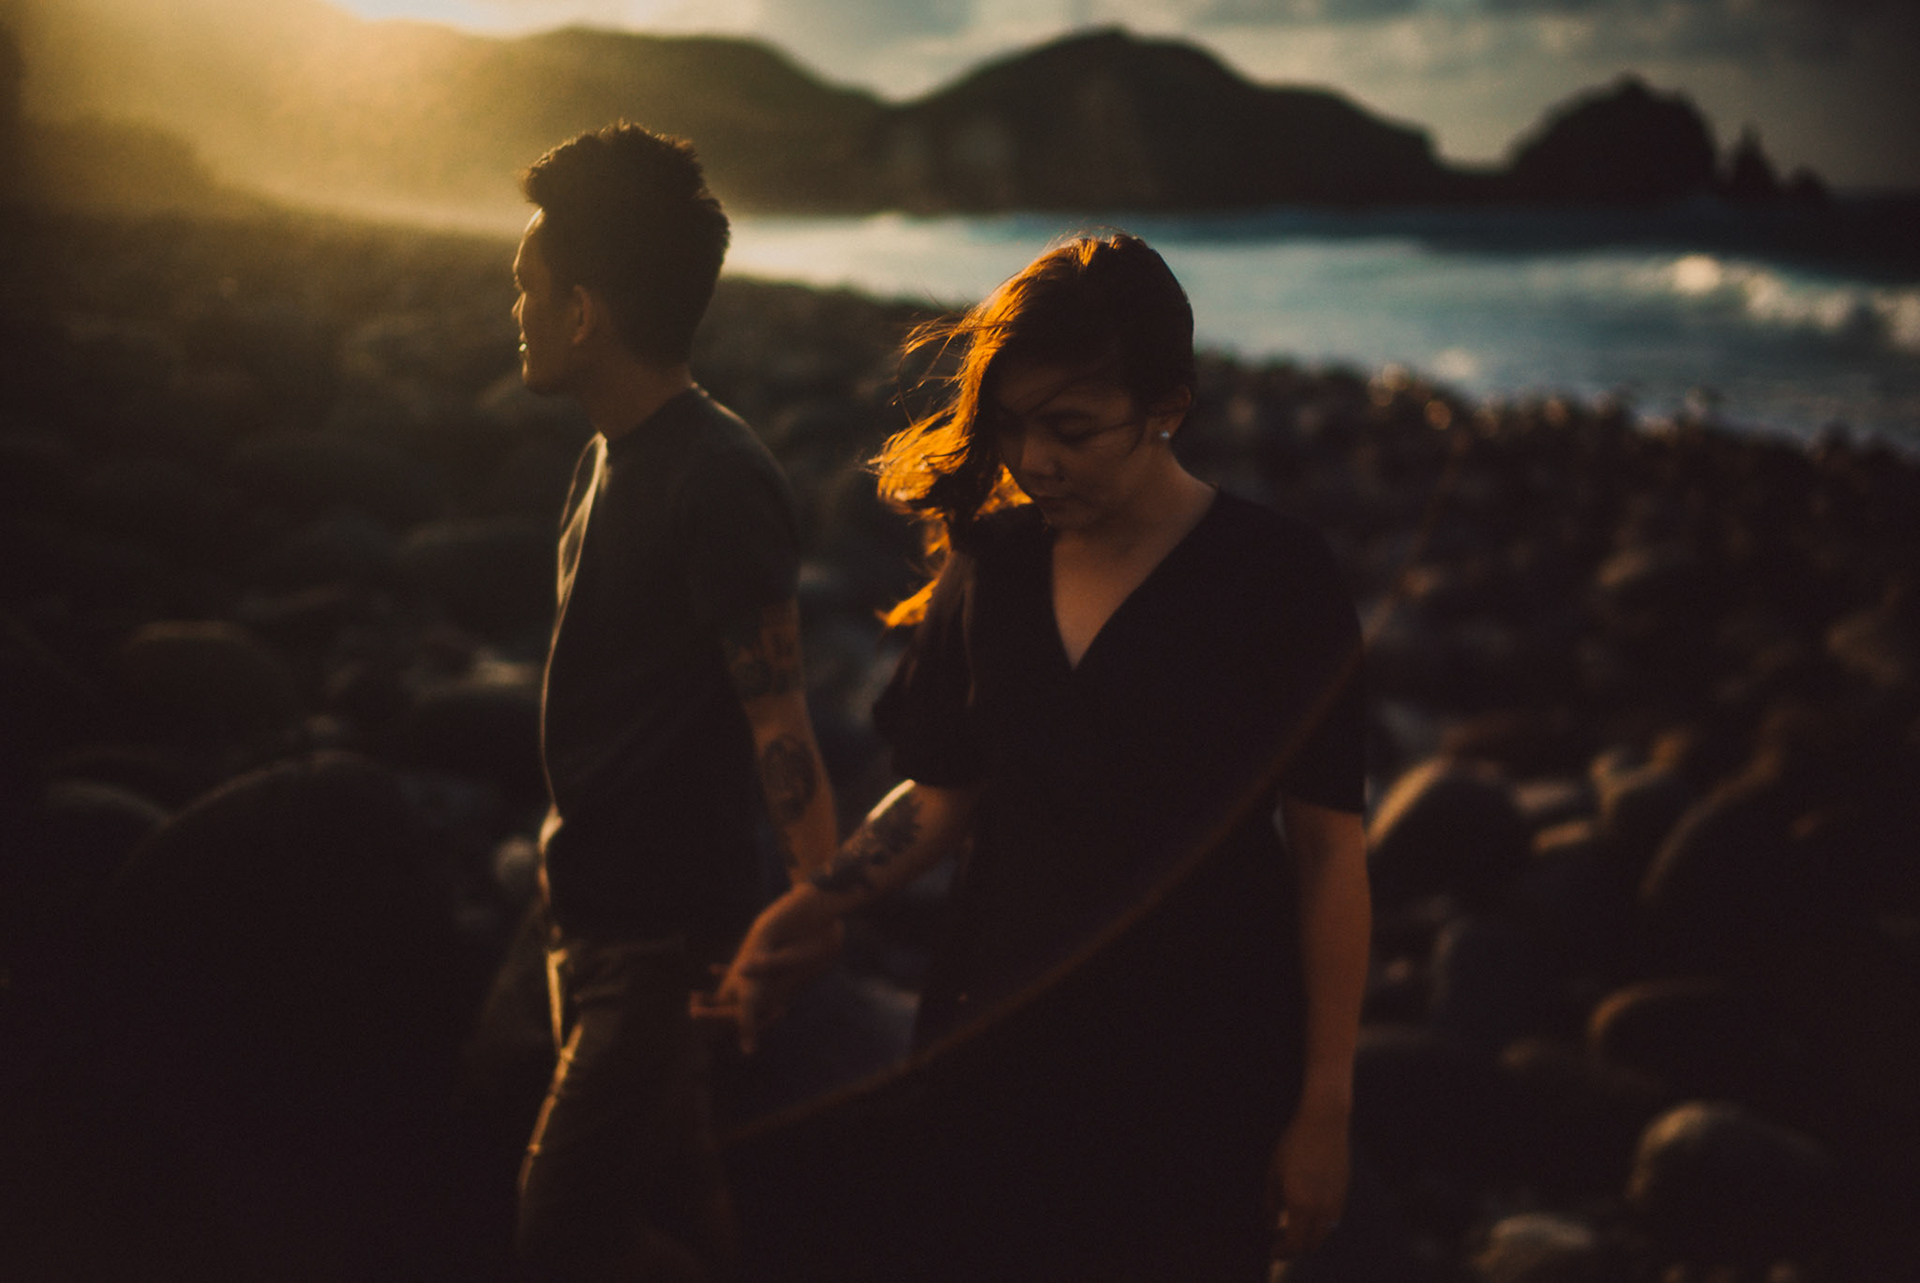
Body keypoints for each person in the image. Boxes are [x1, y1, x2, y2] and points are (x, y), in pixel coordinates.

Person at [699, 233, 1371, 1280]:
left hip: (1201, 1067)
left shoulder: (1277, 579)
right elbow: (945, 792)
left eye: (1072, 428)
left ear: (1167, 408)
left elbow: (1331, 850)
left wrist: (1325, 1100)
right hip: (993, 1040)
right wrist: (816, 901)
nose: (1034, 460)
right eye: (1012, 427)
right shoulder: (994, 566)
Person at [510, 122, 840, 1281]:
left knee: (562, 1233)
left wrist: (822, 897)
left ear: (584, 312)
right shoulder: (608, 454)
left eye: (528, 289)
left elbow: (779, 716)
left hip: (660, 937)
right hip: (590, 912)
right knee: (685, 1184)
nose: (518, 312)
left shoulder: (719, 473)